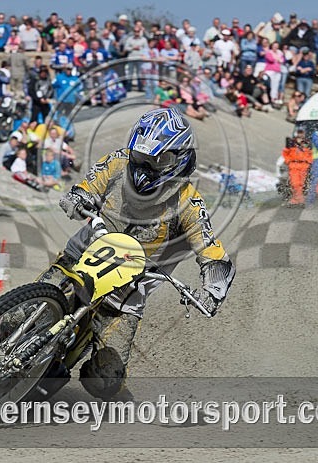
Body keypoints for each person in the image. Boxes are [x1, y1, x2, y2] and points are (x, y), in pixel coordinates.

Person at [39, 108, 235, 401]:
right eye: (141, 158)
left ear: (180, 158)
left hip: (124, 298)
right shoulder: (117, 162)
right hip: (77, 263)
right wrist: (77, 197)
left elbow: (211, 249)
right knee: (23, 312)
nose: (146, 167)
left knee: (104, 381)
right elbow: (87, 187)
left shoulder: (189, 202)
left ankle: (115, 393)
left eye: (158, 160)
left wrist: (214, 286)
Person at [282, 128, 313, 205]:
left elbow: (311, 154)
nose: (300, 134)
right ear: (297, 134)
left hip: (303, 166)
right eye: (299, 133)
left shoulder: (307, 143)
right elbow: (285, 153)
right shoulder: (291, 142)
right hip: (294, 166)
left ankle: (298, 199)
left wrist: (309, 162)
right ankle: (297, 199)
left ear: (304, 134)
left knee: (302, 184)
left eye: (301, 133)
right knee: (295, 183)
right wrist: (288, 161)